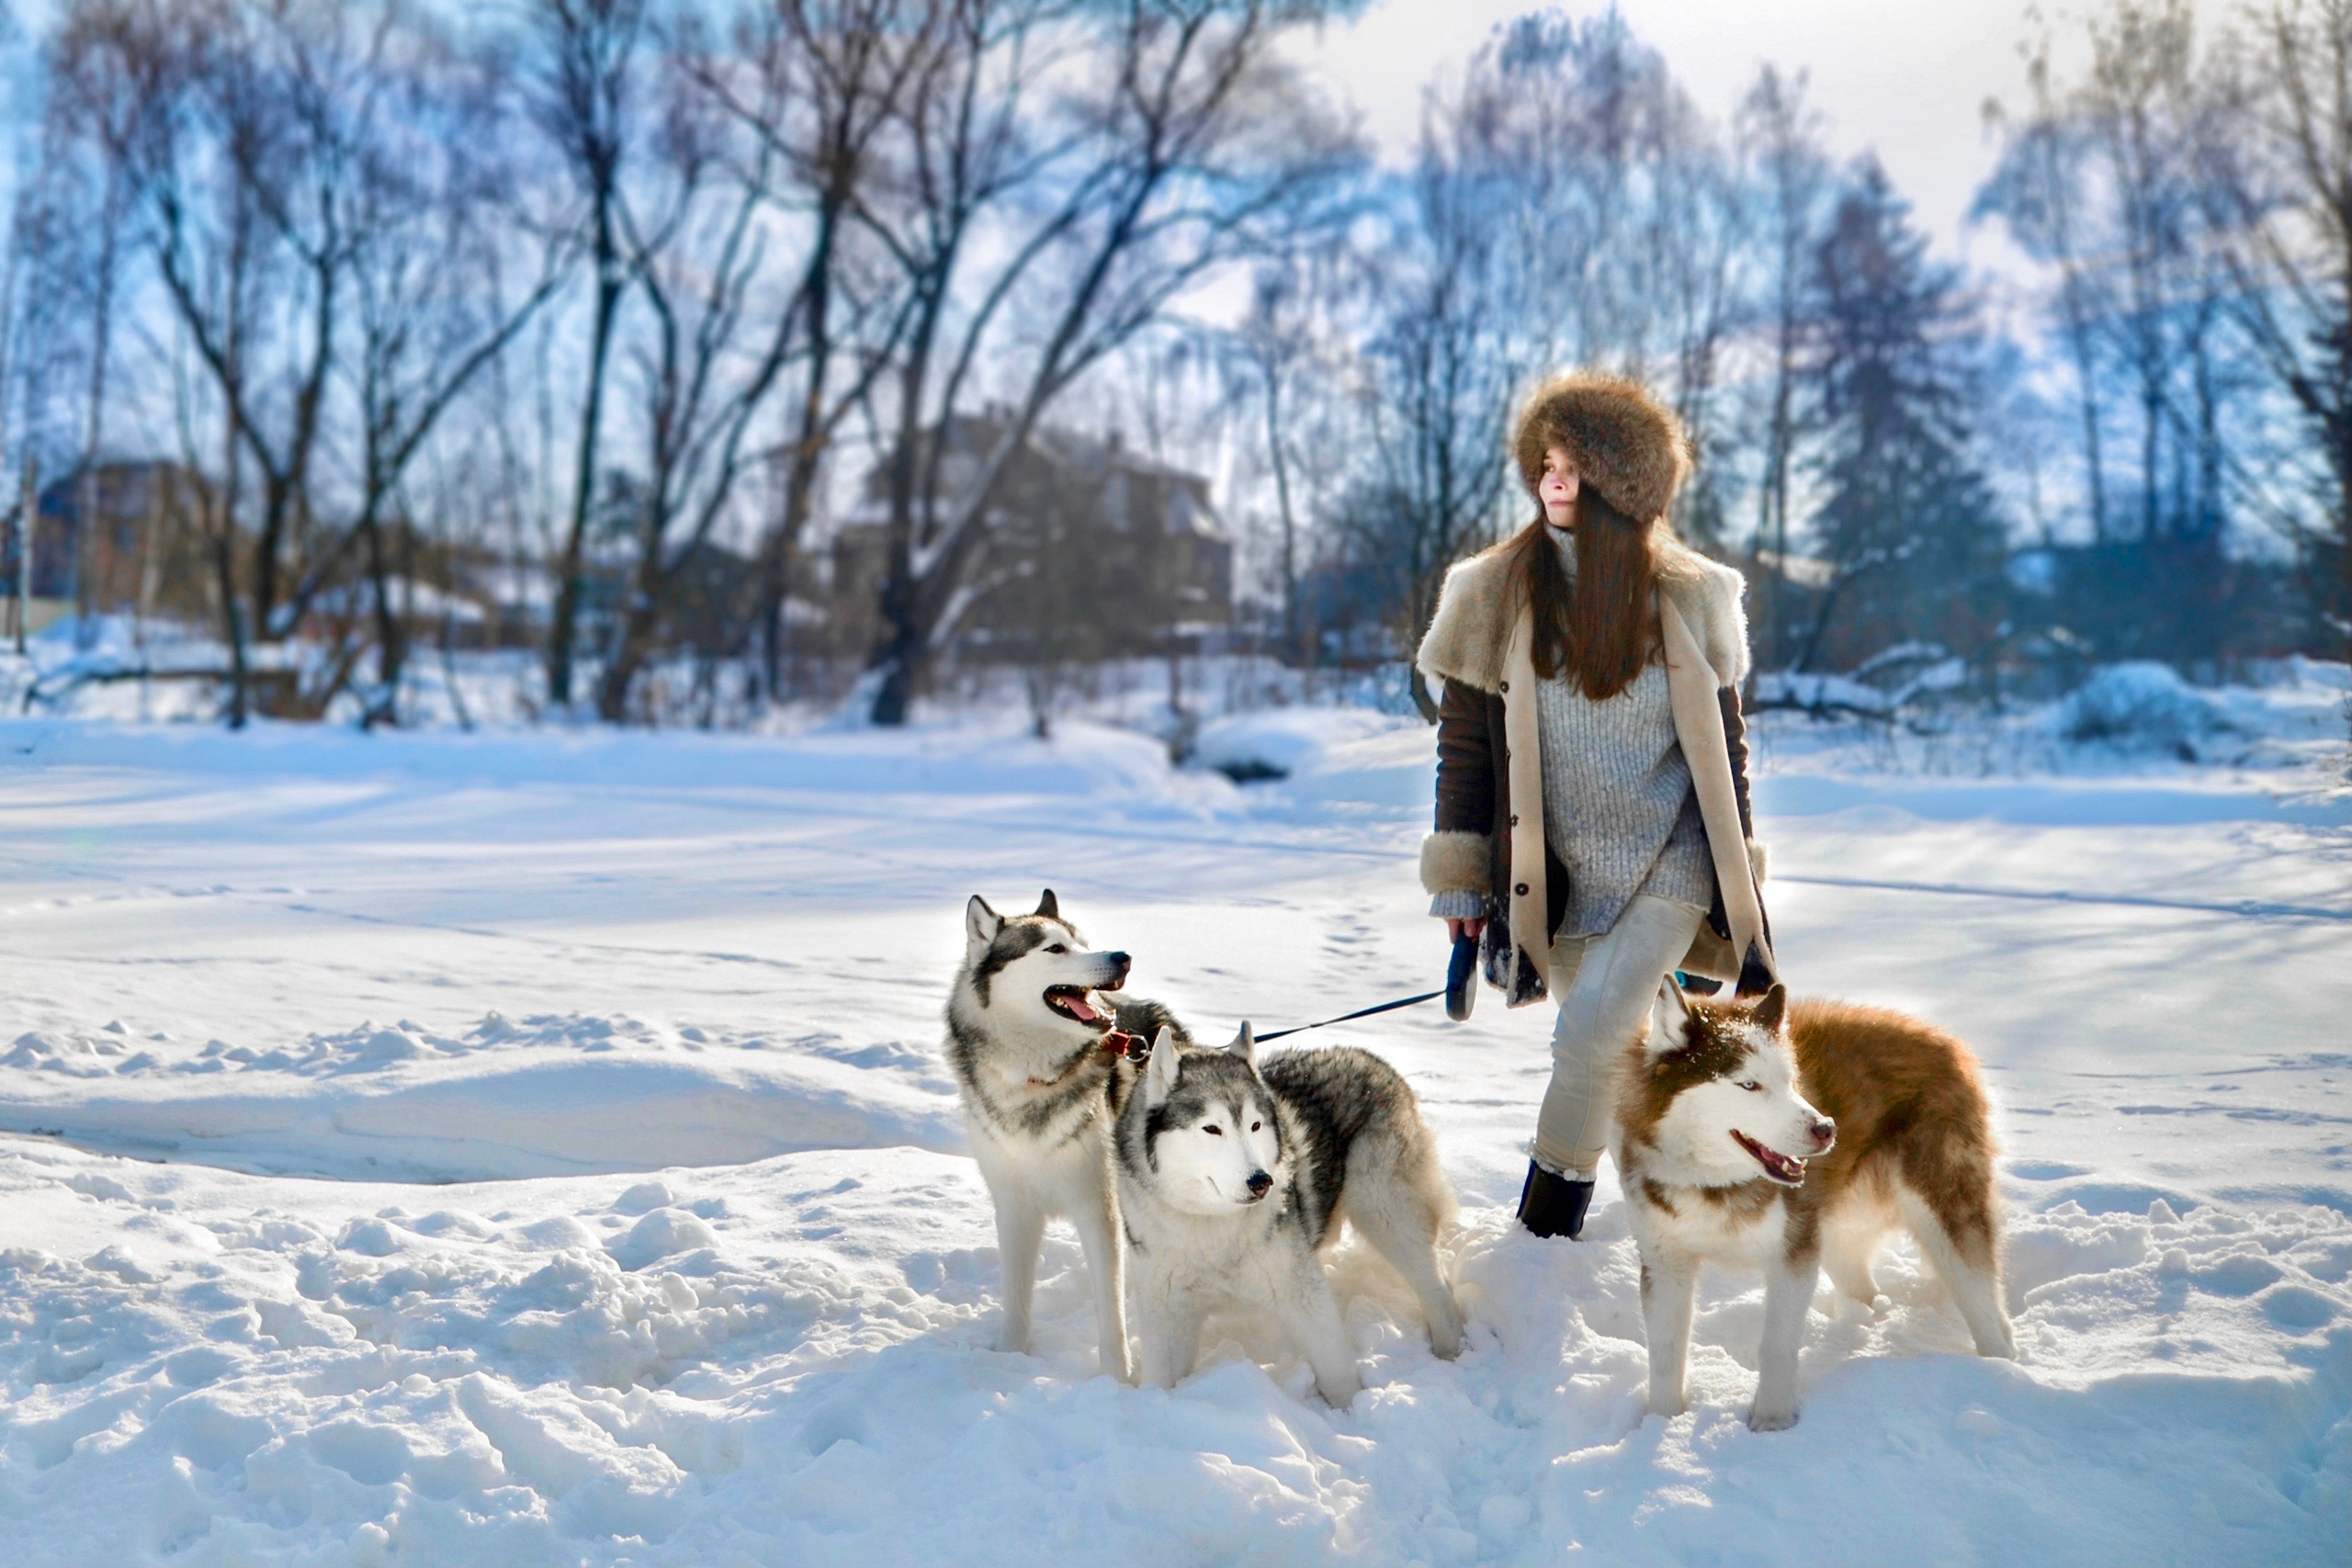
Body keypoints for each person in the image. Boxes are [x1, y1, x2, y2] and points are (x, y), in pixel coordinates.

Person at [1415, 371, 1777, 1239]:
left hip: (1673, 859)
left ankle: (1542, 1237)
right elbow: (1462, 747)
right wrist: (1465, 884)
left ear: (1624, 486)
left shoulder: (1693, 593)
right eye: (1544, 462)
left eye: (1573, 466)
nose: (1552, 481)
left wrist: (1741, 884)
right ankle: (1690, 1216)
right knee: (1615, 1059)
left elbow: (1725, 753)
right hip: (1560, 874)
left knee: (1585, 1043)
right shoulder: (1491, 590)